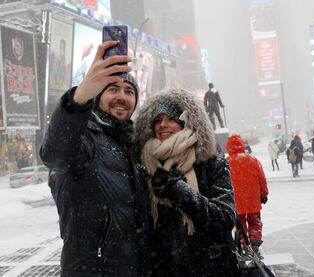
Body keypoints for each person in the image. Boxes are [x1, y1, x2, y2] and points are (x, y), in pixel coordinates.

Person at [40, 41, 152, 277]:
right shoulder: (84, 139)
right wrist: (79, 98)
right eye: (112, 89)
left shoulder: (135, 146)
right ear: (98, 95)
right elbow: (54, 155)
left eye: (129, 91)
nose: (121, 97)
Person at [134, 88, 240, 276]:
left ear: (184, 123)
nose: (162, 125)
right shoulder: (145, 164)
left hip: (211, 268)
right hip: (165, 269)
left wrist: (177, 189)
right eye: (157, 120)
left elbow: (224, 219)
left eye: (170, 119)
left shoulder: (210, 162)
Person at [226, 134, 268, 257]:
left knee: (240, 224)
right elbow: (262, 179)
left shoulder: (227, 162)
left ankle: (243, 245)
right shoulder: (253, 160)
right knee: (255, 222)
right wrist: (263, 194)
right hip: (253, 200)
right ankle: (254, 245)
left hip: (236, 201)